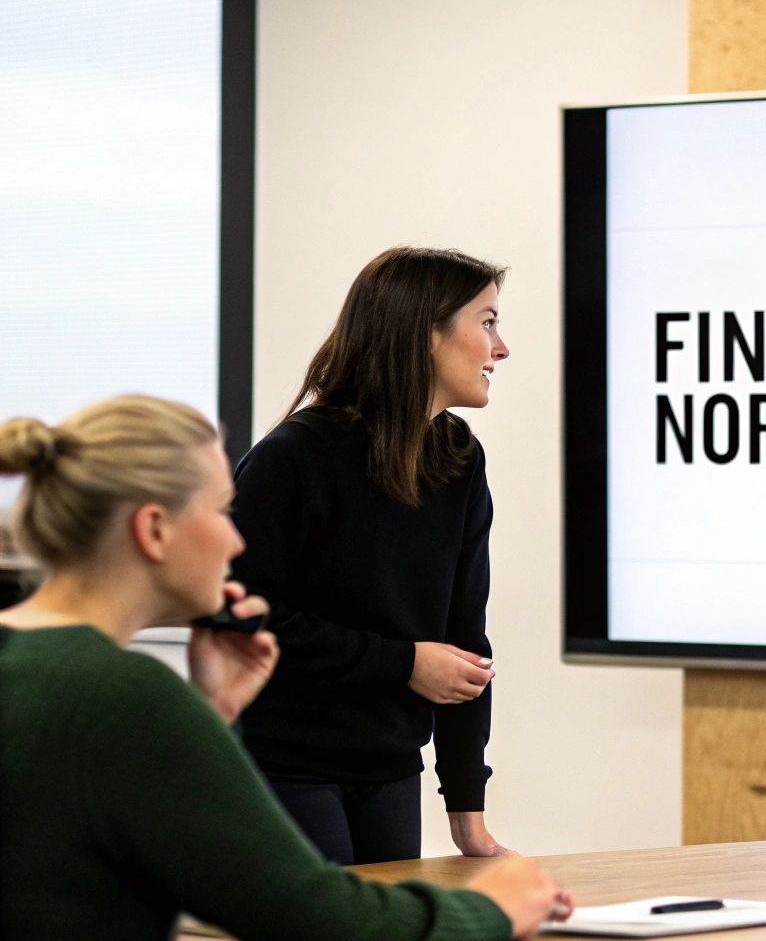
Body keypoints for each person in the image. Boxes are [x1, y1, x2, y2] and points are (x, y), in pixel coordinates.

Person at [0, 396, 571, 940]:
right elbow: (319, 918)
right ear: (153, 530)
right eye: (221, 510)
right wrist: (492, 908)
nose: (234, 536)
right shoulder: (126, 699)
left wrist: (216, 717)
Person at [229, 245, 514, 864]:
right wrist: (402, 662)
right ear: (424, 332)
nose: (501, 348)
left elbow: (465, 644)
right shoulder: (293, 457)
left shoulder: (460, 459)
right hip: (285, 767)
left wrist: (468, 813)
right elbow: (240, 616)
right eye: (487, 322)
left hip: (389, 769)